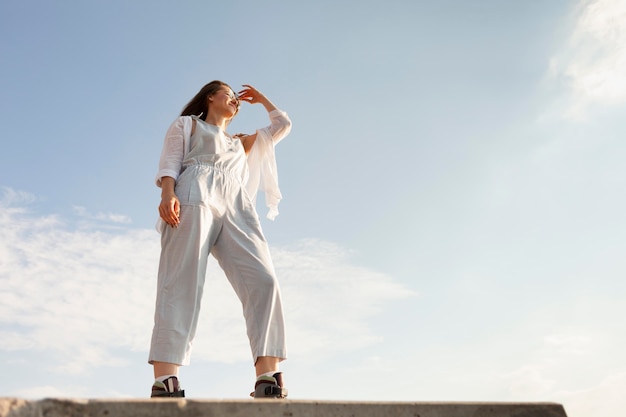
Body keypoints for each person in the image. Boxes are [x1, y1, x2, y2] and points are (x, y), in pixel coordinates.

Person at [148, 81, 291, 399]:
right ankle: (166, 380)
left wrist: (262, 99)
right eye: (228, 94)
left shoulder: (242, 143)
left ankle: (267, 376)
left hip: (237, 203)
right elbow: (171, 161)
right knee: (181, 279)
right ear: (210, 97)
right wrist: (168, 193)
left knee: (264, 280)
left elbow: (282, 125)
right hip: (194, 188)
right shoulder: (188, 125)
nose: (235, 100)